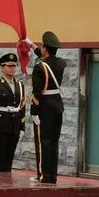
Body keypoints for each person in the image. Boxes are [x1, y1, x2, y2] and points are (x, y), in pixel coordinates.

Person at [26, 31, 66, 184]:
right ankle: (52, 176)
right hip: (57, 106)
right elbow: (47, 59)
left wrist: (34, 112)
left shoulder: (39, 68)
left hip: (44, 108)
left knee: (44, 143)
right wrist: (31, 45)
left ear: (46, 48)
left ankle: (43, 175)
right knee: (53, 143)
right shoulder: (61, 63)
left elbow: (36, 94)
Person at [0, 53, 26, 172]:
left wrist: (22, 127)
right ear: (2, 68)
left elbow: (22, 107)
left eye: (14, 66)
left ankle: (6, 185)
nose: (12, 68)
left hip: (14, 125)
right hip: (1, 125)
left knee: (9, 159)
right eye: (9, 66)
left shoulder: (20, 85)